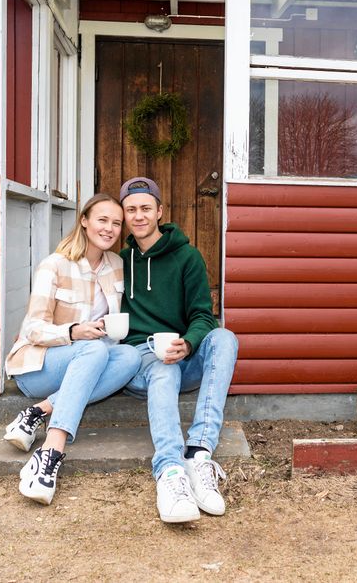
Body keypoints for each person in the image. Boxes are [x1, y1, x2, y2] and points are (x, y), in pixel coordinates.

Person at [2, 193, 141, 505]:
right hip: (39, 367)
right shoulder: (54, 265)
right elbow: (32, 328)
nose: (109, 228)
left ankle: (39, 411)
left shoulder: (117, 265)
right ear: (84, 221)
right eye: (102, 220)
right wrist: (73, 331)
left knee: (130, 356)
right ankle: (51, 450)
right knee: (93, 350)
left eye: (116, 223)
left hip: (91, 361)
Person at [118, 177, 239, 524]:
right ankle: (170, 471)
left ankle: (198, 453)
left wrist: (187, 344)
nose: (138, 216)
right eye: (131, 210)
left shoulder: (187, 257)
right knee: (162, 366)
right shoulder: (119, 262)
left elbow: (203, 315)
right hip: (140, 366)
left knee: (224, 337)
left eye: (145, 208)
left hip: (181, 358)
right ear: (125, 215)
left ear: (159, 211)